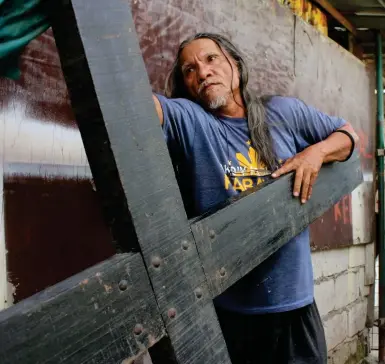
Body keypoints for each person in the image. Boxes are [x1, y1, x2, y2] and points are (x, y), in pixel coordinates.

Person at [151, 33, 358, 364]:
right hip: (232, 314)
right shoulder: (192, 121)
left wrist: (315, 154)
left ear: (235, 63)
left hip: (295, 307)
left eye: (211, 59)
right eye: (189, 69)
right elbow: (143, 108)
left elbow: (348, 137)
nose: (202, 72)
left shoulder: (284, 112)